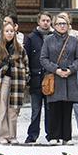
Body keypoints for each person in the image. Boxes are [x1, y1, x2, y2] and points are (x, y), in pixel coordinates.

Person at [40, 13, 78, 145]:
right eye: (59, 24)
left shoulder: (73, 40)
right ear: (54, 25)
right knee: (54, 108)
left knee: (67, 108)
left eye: (64, 23)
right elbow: (43, 58)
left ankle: (66, 137)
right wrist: (56, 69)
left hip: (69, 79)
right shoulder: (48, 40)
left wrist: (71, 69)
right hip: (54, 78)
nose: (62, 26)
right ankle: (53, 136)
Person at [0, 22, 29, 145]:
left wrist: (26, 78)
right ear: (2, 33)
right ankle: (2, 136)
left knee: (13, 109)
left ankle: (12, 135)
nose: (9, 33)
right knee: (2, 108)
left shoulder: (20, 49)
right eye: (7, 31)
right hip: (1, 81)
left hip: (17, 81)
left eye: (11, 31)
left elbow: (26, 65)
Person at [56, 11, 78, 138]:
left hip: (74, 71)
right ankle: (61, 130)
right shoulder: (54, 35)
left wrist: (73, 68)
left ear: (69, 20)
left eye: (66, 18)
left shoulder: (77, 36)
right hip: (58, 71)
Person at [23, 11, 53, 144]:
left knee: (49, 109)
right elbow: (26, 58)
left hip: (50, 79)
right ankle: (32, 134)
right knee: (35, 110)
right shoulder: (31, 38)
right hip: (35, 79)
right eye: (43, 20)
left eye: (47, 20)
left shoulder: (54, 37)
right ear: (38, 22)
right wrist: (27, 77)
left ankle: (51, 134)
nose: (45, 22)